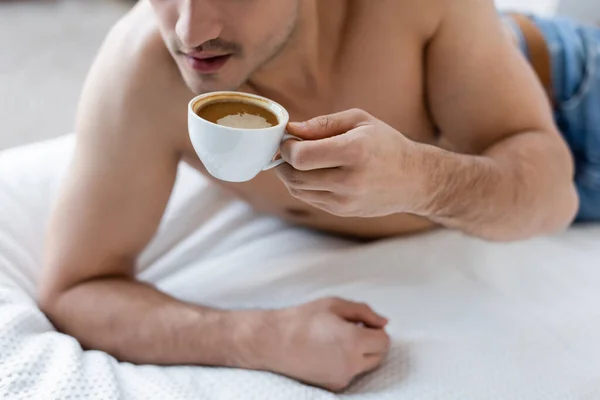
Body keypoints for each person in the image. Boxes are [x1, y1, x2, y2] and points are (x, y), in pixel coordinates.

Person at [38, 0, 599, 392]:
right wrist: (261, 337)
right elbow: (76, 288)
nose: (189, 30)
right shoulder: (142, 73)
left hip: (570, 98)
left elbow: (555, 194)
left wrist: (419, 179)